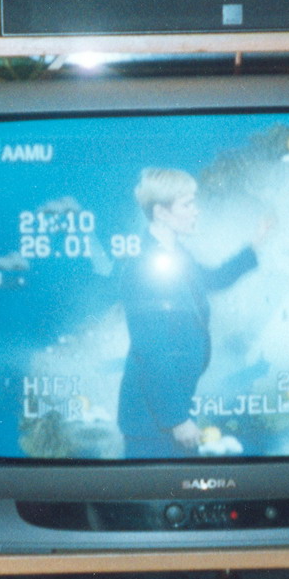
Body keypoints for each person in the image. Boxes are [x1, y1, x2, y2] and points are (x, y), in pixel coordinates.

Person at [117, 167, 265, 458]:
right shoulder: (143, 268)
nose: (196, 211)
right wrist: (177, 419)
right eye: (187, 204)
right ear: (161, 212)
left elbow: (214, 279)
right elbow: (152, 350)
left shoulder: (178, 257)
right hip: (152, 422)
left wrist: (255, 245)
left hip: (170, 410)